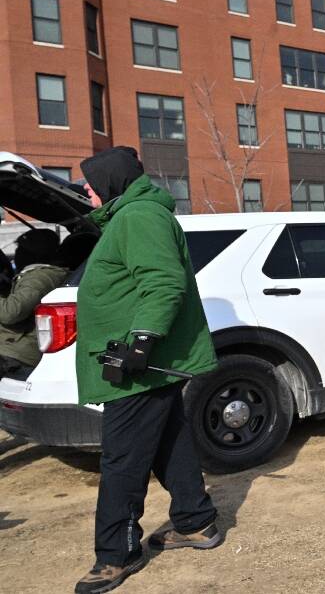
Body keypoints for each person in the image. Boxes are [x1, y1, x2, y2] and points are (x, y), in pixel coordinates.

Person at [74, 147, 222, 594]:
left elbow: (163, 279)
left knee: (122, 459)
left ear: (110, 181)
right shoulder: (130, 215)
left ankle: (117, 553)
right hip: (145, 361)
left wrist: (141, 340)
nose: (84, 189)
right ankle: (197, 522)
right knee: (168, 443)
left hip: (139, 360)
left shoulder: (139, 215)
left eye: (89, 182)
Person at [0, 229, 66, 376]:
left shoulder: (39, 277)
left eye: (20, 250)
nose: (16, 254)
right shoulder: (36, 275)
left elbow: (11, 312)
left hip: (16, 353)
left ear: (33, 254)